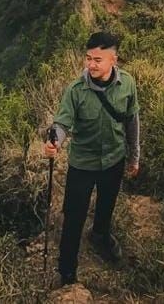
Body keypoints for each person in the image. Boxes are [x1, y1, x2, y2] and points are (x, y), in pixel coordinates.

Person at [44, 30, 140, 288]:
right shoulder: (75, 91)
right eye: (88, 58)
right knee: (73, 218)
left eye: (98, 59)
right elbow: (62, 123)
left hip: (113, 160)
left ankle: (100, 236)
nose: (91, 64)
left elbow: (132, 120)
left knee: (106, 207)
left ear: (113, 60)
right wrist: (55, 143)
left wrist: (134, 156)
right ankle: (67, 271)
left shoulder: (127, 84)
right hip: (82, 165)